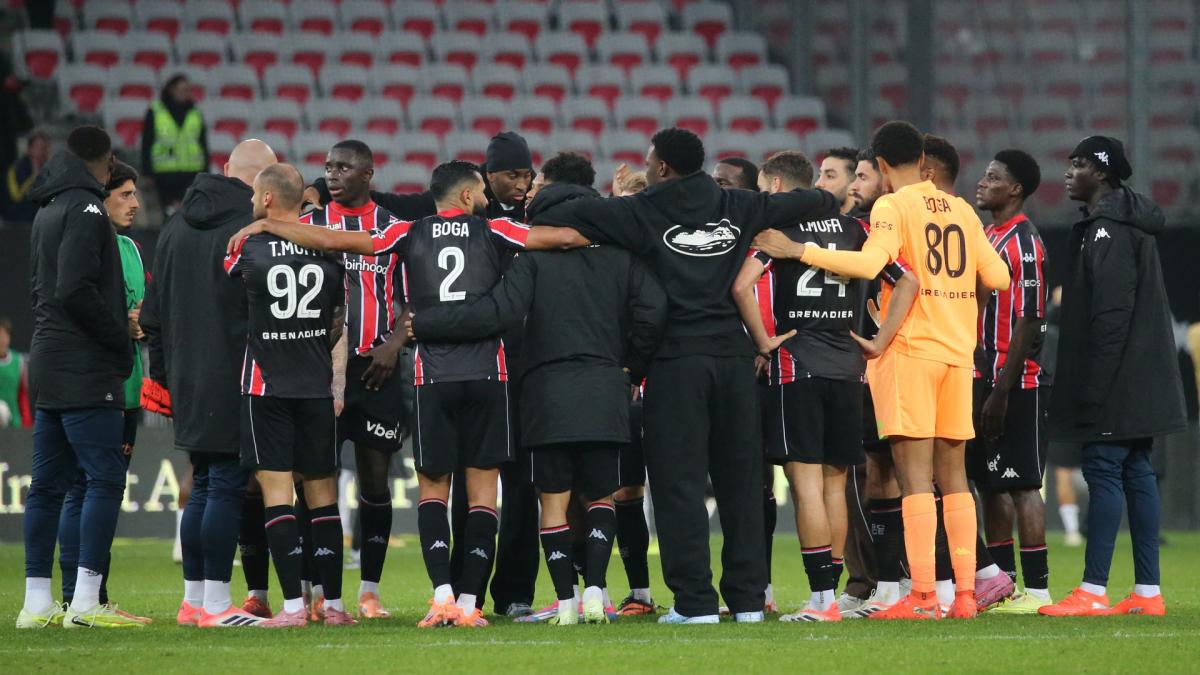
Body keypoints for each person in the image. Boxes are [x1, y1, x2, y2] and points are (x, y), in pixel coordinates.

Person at [226, 161, 587, 628]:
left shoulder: (407, 231)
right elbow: (561, 239)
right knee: (482, 495)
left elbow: (335, 240)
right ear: (466, 196)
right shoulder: (495, 228)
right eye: (479, 193)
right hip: (487, 375)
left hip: (432, 375)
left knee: (433, 490)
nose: (483, 201)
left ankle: (440, 598)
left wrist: (266, 225)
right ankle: (471, 604)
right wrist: (594, 238)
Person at [533, 127, 838, 624]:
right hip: (734, 360)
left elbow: (561, 212)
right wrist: (827, 194)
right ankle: (745, 603)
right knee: (741, 483)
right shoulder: (739, 204)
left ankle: (695, 604)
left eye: (652, 161)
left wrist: (561, 193)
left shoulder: (641, 209)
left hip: (676, 362)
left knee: (679, 484)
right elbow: (809, 203)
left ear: (663, 168)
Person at [753, 121, 1011, 620]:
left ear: (887, 167)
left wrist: (798, 251)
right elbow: (996, 276)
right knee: (954, 478)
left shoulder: (895, 204)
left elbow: (871, 264)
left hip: (912, 350)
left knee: (914, 481)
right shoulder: (960, 208)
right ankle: (962, 596)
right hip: (959, 354)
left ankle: (921, 597)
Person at [409, 152, 668, 625]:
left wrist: (422, 322)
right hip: (606, 385)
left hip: (543, 390)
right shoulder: (619, 252)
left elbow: (499, 314)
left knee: (553, 500)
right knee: (601, 497)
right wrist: (631, 365)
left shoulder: (530, 259)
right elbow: (653, 308)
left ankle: (565, 602)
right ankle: (596, 593)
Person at [734, 150, 914, 622]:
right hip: (847, 366)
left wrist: (764, 340)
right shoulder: (858, 232)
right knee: (836, 485)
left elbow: (740, 287)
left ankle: (820, 599)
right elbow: (908, 283)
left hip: (798, 364)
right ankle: (829, 600)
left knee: (806, 485)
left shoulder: (783, 233)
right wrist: (879, 341)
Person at [1040, 136, 1186, 618]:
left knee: (1104, 468)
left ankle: (1093, 589)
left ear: (1101, 174)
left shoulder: (1108, 227)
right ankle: (1148, 592)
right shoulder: (1132, 219)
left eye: (1079, 164)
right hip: (1142, 374)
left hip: (1116, 377)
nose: (1068, 172)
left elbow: (1111, 314)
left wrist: (1093, 388)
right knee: (1137, 472)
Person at [140, 139, 279, 628]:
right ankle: (219, 605)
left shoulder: (174, 226)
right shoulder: (250, 230)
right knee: (223, 486)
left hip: (186, 378)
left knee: (202, 486)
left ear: (223, 169)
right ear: (266, 185)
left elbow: (152, 317)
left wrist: (164, 378)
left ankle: (194, 600)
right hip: (235, 375)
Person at [18, 126, 139, 629]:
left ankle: (36, 604)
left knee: (47, 484)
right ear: (106, 162)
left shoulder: (46, 208)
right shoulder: (88, 209)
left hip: (47, 359)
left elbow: (40, 288)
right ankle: (87, 604)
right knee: (104, 478)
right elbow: (75, 289)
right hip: (85, 366)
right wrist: (117, 339)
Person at [224, 163, 351, 628]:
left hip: (266, 385)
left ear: (268, 201)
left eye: (256, 196)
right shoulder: (329, 249)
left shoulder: (248, 245)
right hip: (315, 384)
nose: (252, 202)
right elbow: (339, 317)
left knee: (276, 494)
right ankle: (333, 606)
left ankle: (293, 609)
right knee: (322, 497)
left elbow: (230, 278)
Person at [299, 140, 412, 620]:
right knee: (314, 479)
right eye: (327, 167)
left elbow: (417, 296)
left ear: (368, 173)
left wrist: (394, 343)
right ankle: (315, 590)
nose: (332, 174)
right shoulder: (307, 226)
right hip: (319, 376)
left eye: (343, 167)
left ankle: (369, 590)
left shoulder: (394, 229)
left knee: (375, 482)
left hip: (378, 372)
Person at [56, 160, 151, 624]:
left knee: (97, 490)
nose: (136, 203)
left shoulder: (131, 247)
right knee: (86, 488)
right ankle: (80, 595)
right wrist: (124, 324)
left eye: (135, 194)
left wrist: (142, 322)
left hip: (129, 388)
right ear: (102, 197)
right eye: (126, 194)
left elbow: (142, 311)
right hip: (96, 386)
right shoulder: (88, 243)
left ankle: (90, 596)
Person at [971, 149, 1054, 614]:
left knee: (1022, 484)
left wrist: (1002, 390)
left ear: (1015, 189)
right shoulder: (989, 235)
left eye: (993, 177)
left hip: (1017, 383)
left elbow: (1031, 320)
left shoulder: (1024, 243)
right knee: (991, 483)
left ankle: (1038, 591)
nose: (982, 183)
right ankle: (1002, 585)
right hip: (988, 380)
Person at [141, 74, 209, 216]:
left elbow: (203, 143)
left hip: (191, 171)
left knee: (188, 213)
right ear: (171, 90)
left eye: (188, 90)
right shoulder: (156, 111)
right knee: (168, 214)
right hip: (164, 173)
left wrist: (206, 171)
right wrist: (147, 171)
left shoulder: (195, 112)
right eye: (181, 89)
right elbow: (147, 141)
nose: (185, 93)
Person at [4, 130, 49, 223]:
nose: (43, 152)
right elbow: (17, 196)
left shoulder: (49, 169)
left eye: (46, 148)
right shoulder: (16, 170)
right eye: (39, 147)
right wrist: (35, 176)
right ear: (29, 150)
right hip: (17, 221)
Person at [0, 317, 32, 428]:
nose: (2, 340)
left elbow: (22, 395)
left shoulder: (18, 361)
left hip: (15, 426)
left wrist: (26, 423)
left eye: (5, 335)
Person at [814, 147, 859, 215]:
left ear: (854, 181)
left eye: (830, 176)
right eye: (819, 176)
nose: (817, 184)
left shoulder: (871, 222)